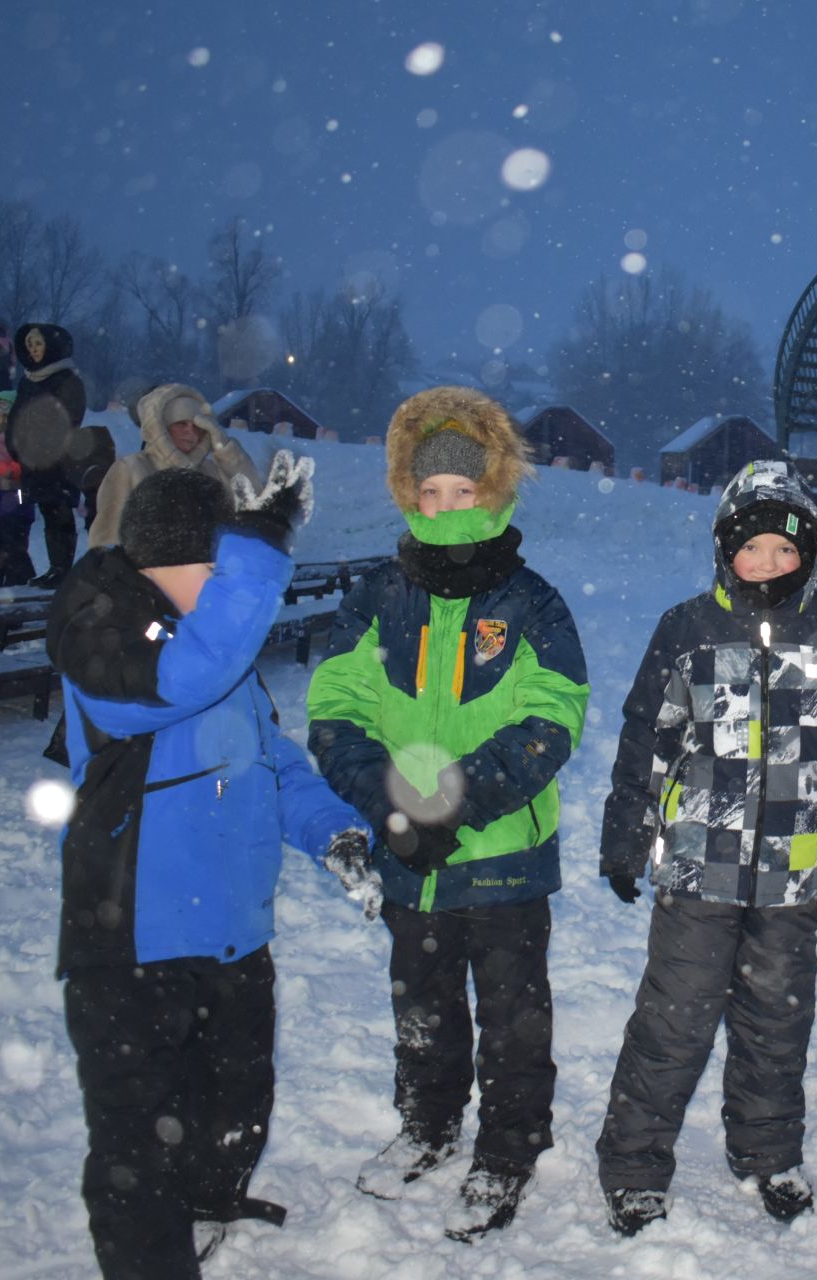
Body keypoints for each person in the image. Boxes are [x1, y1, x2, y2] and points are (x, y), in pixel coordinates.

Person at [47, 455, 380, 1278]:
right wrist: (260, 545)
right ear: (164, 564)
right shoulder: (104, 629)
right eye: (218, 569)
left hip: (231, 929)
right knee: (136, 1137)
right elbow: (180, 680)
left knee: (233, 1098)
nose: (233, 589)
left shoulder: (216, 658)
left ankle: (207, 1196)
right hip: (135, 935)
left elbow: (274, 761)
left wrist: (333, 831)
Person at [306, 386, 588, 1242]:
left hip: (500, 856)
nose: (445, 507)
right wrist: (393, 802)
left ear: (493, 492)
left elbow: (553, 719)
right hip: (409, 856)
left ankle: (509, 1145)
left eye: (462, 492)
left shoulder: (531, 602)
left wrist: (452, 805)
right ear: (408, 494)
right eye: (430, 492)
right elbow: (334, 707)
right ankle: (428, 1125)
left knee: (512, 1015)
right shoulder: (380, 596)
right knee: (421, 1006)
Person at [594, 459, 817, 1236]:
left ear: (809, 554)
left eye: (783, 551)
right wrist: (627, 839)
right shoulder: (687, 630)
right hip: (700, 869)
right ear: (725, 552)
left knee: (776, 1021)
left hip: (793, 875)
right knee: (674, 1021)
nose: (766, 564)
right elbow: (646, 742)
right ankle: (634, 1163)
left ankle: (767, 1152)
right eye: (750, 549)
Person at [88, 382, 262, 548]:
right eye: (181, 424)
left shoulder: (211, 473)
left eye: (198, 425)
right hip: (145, 576)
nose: (190, 431)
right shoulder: (131, 469)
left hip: (204, 576)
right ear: (162, 427)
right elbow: (107, 541)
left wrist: (224, 447)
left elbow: (252, 503)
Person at [8, 322, 86, 589]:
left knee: (59, 513)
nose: (33, 349)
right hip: (32, 463)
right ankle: (55, 568)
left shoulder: (67, 379)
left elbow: (68, 419)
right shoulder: (28, 380)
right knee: (47, 512)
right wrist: (15, 444)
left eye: (38, 343)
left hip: (59, 463)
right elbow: (16, 416)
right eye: (29, 344)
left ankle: (62, 569)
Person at [0, 391, 36, 586]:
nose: (1, 421)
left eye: (6, 416)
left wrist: (10, 472)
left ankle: (20, 580)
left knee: (14, 542)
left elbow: (27, 462)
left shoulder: (23, 438)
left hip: (18, 496)